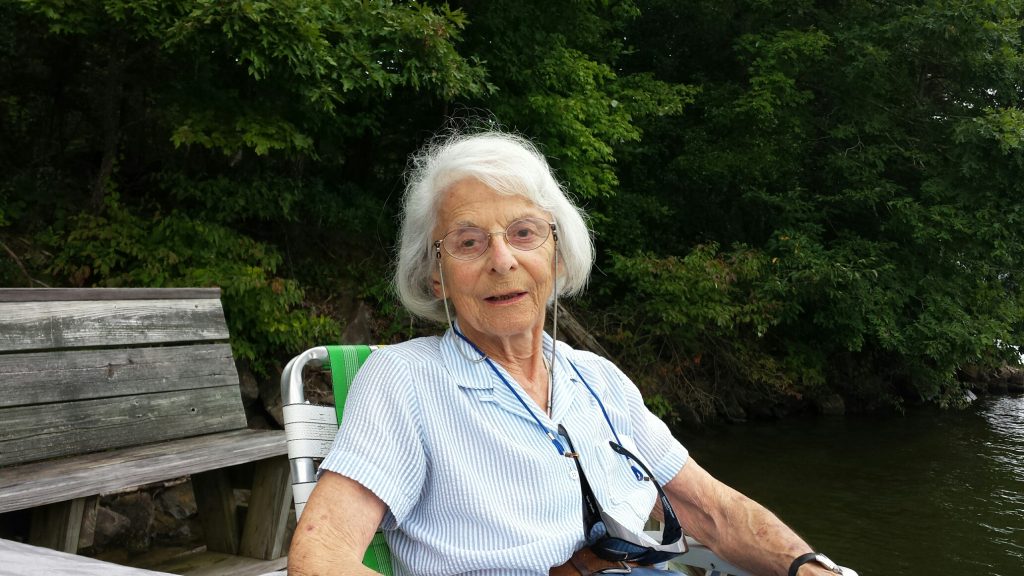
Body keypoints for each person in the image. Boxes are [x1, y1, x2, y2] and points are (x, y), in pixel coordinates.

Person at [288, 130, 856, 576]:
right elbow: (320, 558)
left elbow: (713, 511)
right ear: (436, 277)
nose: (502, 259)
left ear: (557, 256)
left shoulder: (598, 379)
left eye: (524, 233)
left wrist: (810, 568)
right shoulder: (403, 380)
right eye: (468, 242)